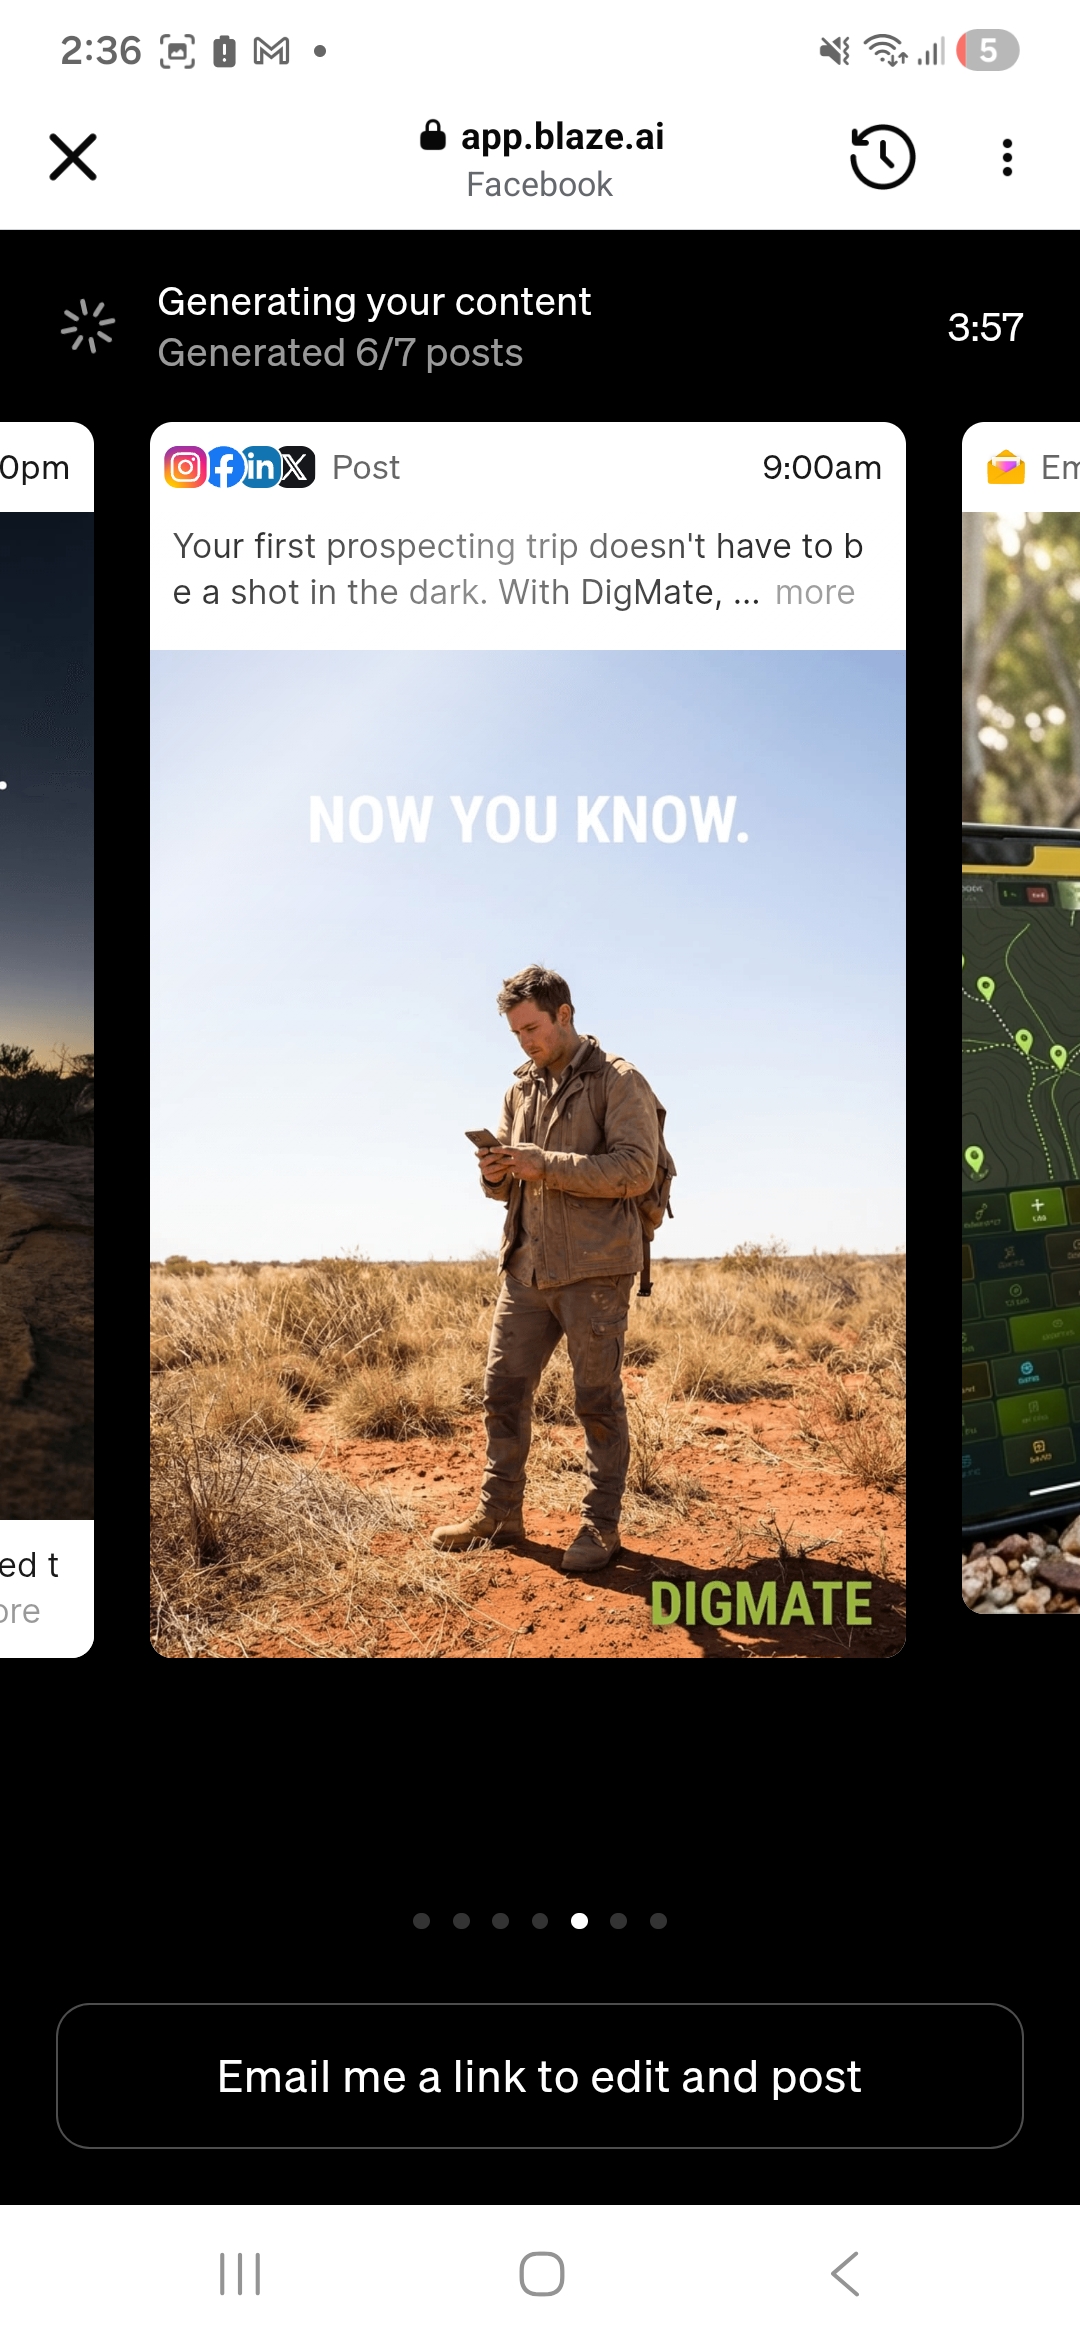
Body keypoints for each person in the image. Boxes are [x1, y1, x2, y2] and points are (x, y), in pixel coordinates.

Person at [432, 965, 660, 1573]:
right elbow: (505, 1187)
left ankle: (600, 1527)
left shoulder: (619, 1081)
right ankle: (499, 1514)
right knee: (502, 1391)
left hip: (595, 1272)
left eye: (532, 1027)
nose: (525, 1041)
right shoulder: (519, 1090)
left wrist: (544, 1163)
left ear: (564, 1014)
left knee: (597, 1401)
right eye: (515, 1033)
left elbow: (636, 1169)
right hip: (526, 1269)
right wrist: (495, 1171)